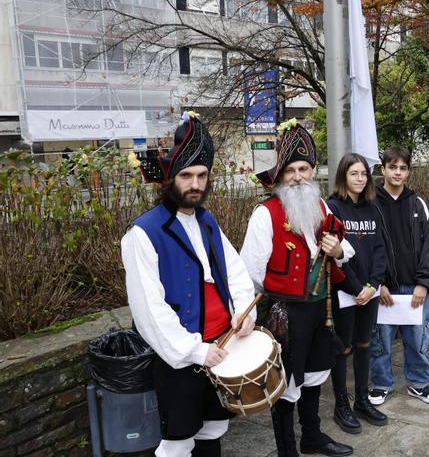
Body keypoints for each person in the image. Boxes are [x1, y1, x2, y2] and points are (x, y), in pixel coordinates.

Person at [122, 112, 257, 457]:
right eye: (186, 176)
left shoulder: (207, 220)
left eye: (201, 175)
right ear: (170, 179)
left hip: (222, 344)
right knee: (178, 442)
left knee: (213, 428)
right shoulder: (143, 233)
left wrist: (243, 310)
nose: (195, 184)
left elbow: (235, 271)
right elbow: (148, 309)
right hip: (181, 357)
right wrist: (195, 351)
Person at [240, 122, 353, 457]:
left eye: (304, 168)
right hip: (286, 314)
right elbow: (250, 272)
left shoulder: (321, 208)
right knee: (286, 384)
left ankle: (312, 437)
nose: (298, 176)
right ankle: (287, 449)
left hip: (322, 308)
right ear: (279, 176)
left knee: (317, 373)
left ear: (313, 171)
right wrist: (278, 298)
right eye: (290, 170)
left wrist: (337, 251)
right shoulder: (265, 213)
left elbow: (346, 252)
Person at [369, 147, 429, 406]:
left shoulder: (418, 204)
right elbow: (366, 248)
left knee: (418, 339)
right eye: (392, 167)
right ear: (383, 169)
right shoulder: (370, 203)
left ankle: (419, 382)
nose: (397, 172)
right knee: (381, 341)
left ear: (408, 171)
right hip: (384, 290)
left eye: (402, 168)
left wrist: (424, 284)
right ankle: (381, 384)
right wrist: (377, 285)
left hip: (414, 288)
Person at [325, 154, 388, 434]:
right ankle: (342, 405)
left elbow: (380, 251)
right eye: (354, 174)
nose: (360, 179)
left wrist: (373, 286)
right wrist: (356, 288)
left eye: (364, 174)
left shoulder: (374, 208)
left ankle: (362, 399)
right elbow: (335, 256)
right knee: (343, 348)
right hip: (345, 291)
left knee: (364, 344)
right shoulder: (333, 207)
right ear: (343, 177)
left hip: (369, 292)